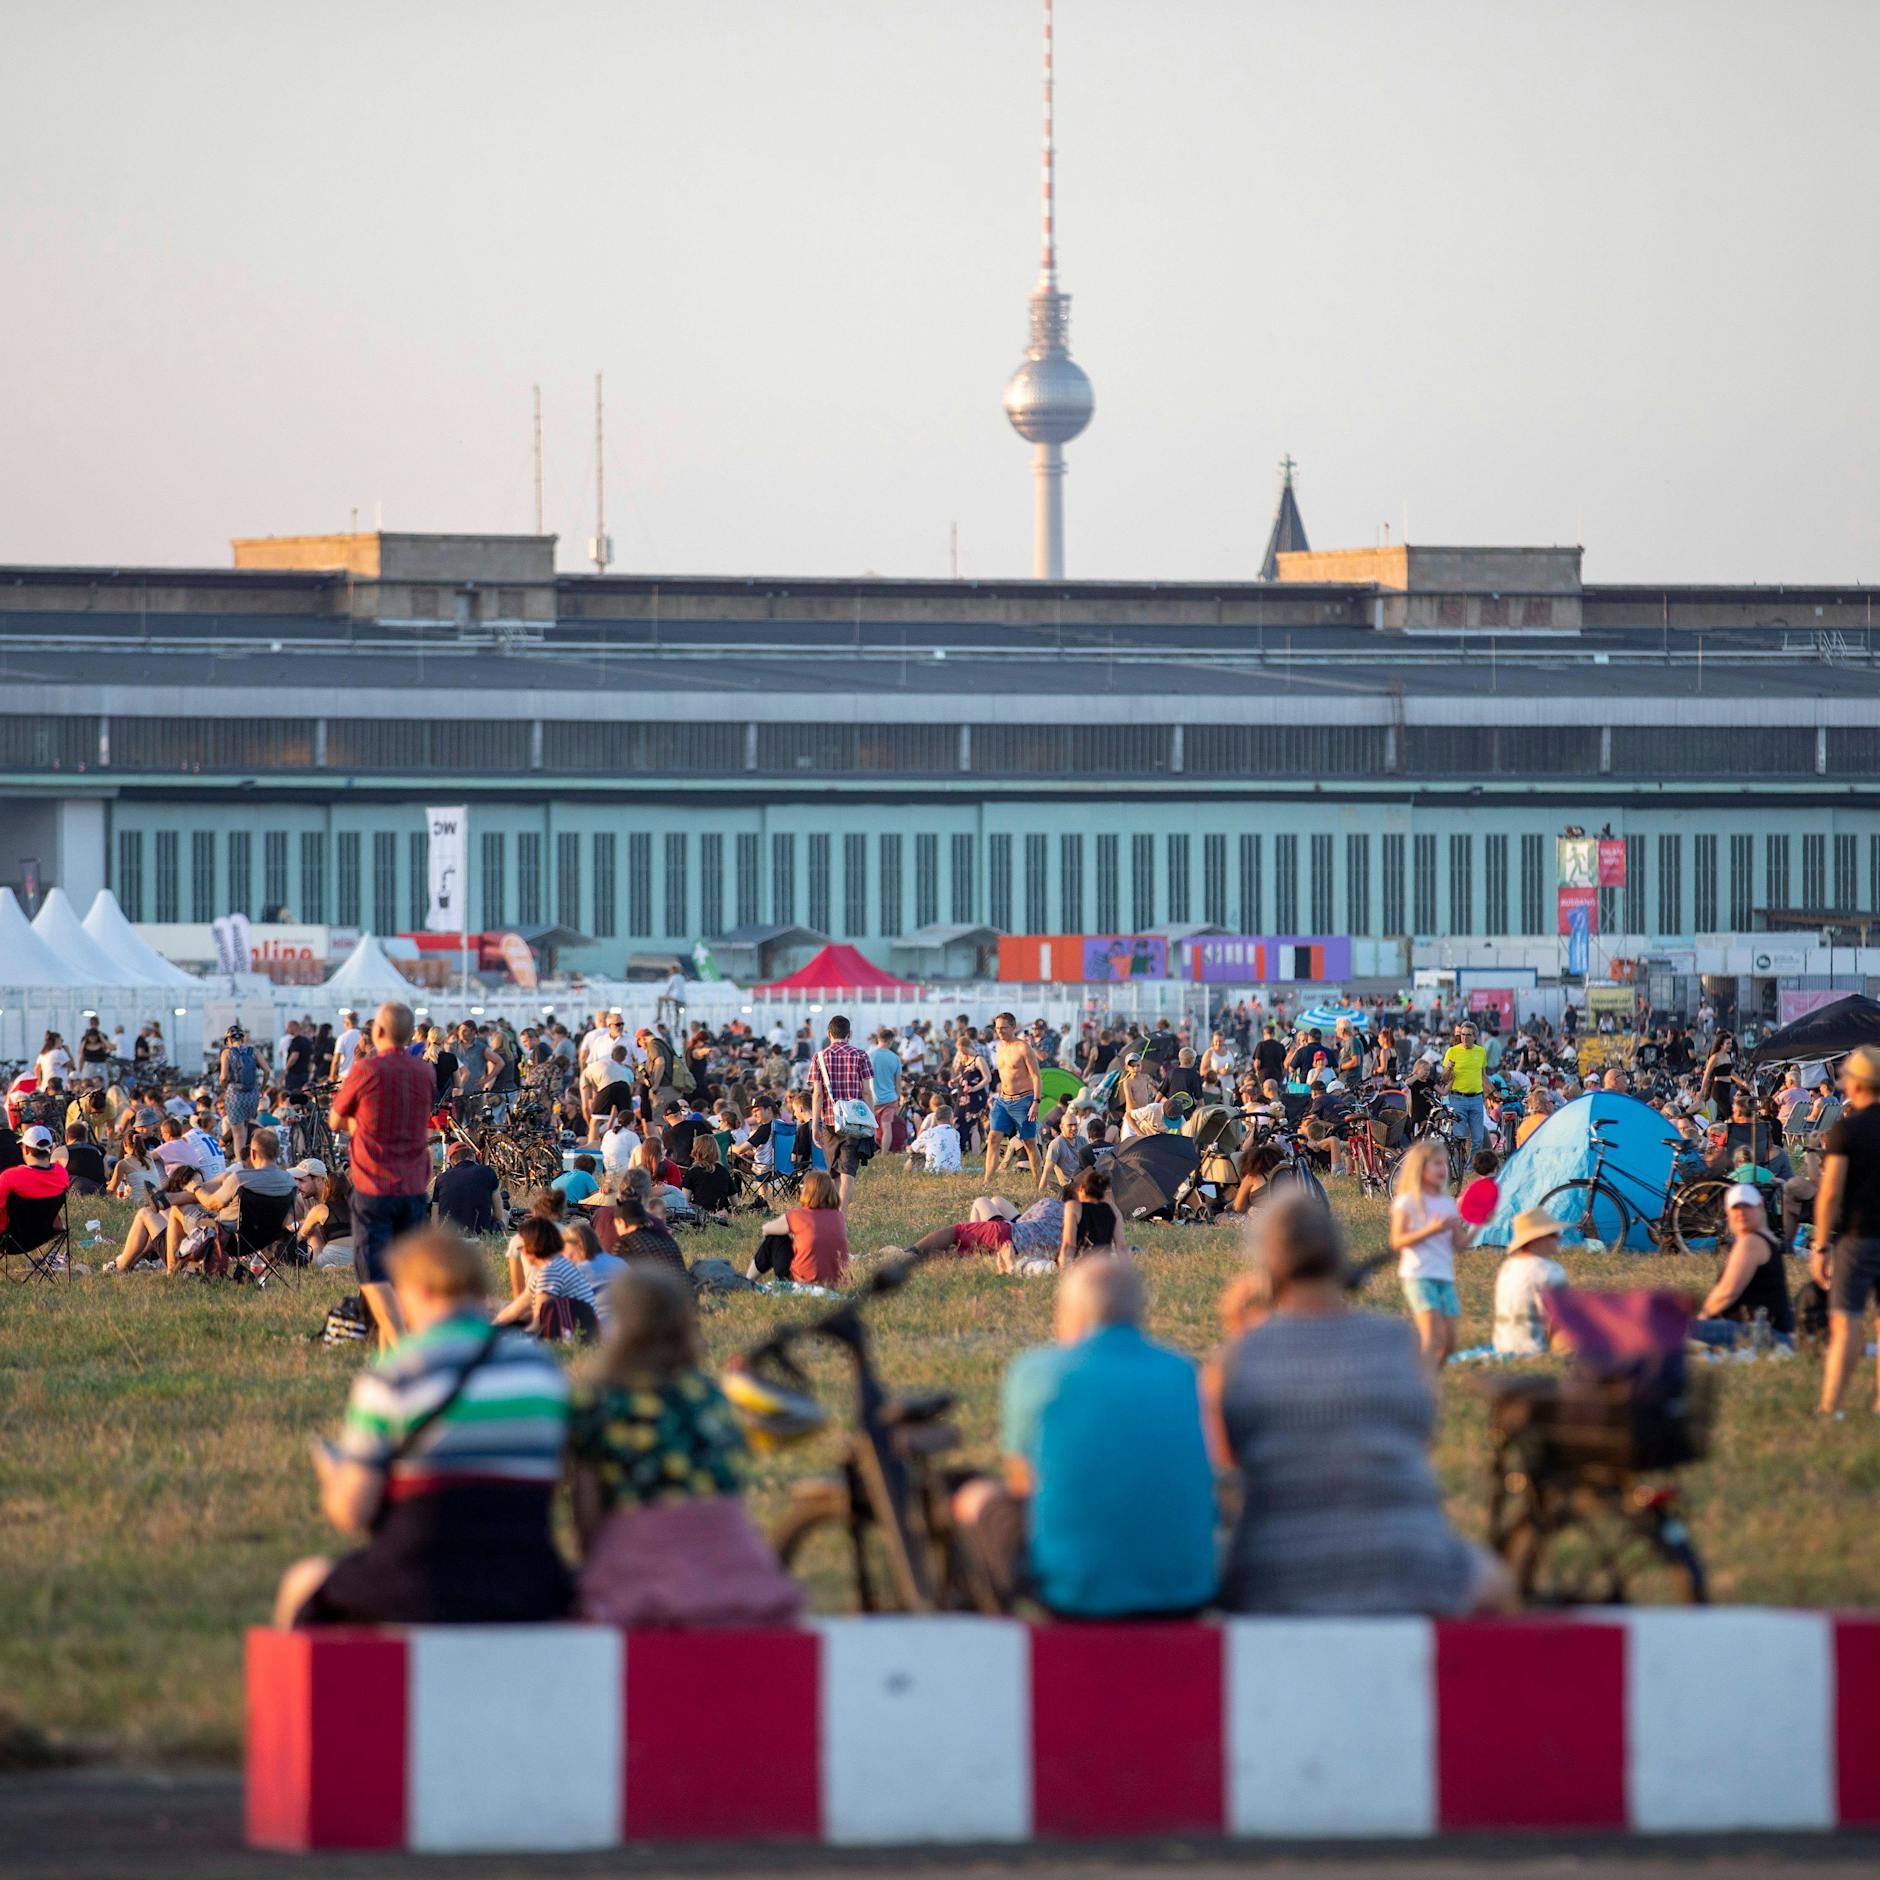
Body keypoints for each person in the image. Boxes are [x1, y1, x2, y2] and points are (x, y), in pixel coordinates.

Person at [1214, 1195, 1515, 1616]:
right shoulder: (1398, 1341)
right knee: (1494, 1578)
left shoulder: (1241, 1356)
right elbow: (1423, 1437)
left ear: (1268, 1265)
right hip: (1410, 1565)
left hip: (1276, 1571)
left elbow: (1226, 1461)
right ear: (1339, 1255)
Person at [273, 1226, 571, 1628]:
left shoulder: (396, 1375)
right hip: (532, 1586)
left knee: (303, 1582)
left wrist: (335, 1479)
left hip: (421, 1585)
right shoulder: (541, 1368)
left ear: (419, 1290)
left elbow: (351, 1513)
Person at [951, 1257, 1217, 1618]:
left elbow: (1023, 1486)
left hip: (1074, 1597)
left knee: (973, 1497)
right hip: (1185, 1593)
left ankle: (991, 1631)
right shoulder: (1182, 1372)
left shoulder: (1037, 1373)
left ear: (1072, 1314)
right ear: (1138, 1311)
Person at [568, 1264, 801, 1628]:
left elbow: (586, 1511)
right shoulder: (710, 1394)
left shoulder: (598, 1403)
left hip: (645, 1577)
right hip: (740, 1571)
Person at [330, 1002, 437, 1352]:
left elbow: (335, 1119)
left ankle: (400, 1344)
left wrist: (356, 1125)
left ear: (377, 1032)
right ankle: (392, 1341)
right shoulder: (425, 1072)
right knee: (407, 1270)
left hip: (374, 1182)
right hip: (413, 1183)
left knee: (372, 1269)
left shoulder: (366, 1069)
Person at [1811, 1046, 1880, 1415]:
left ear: (1856, 1084)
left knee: (1847, 1321)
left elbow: (1831, 1191)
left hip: (1857, 1236)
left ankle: (1830, 1406)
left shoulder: (1846, 1129)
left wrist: (1820, 1245)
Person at [164, 1126, 298, 1271]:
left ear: (252, 1153)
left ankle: (171, 1271)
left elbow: (210, 1203)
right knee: (223, 1181)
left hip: (229, 1239)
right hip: (266, 1240)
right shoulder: (290, 1181)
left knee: (177, 1210)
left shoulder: (240, 1179)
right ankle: (167, 1197)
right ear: (278, 1152)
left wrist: (196, 1187)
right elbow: (288, 1219)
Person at [1390, 1140, 1463, 1375]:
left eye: (1444, 1163)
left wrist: (1477, 1224)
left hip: (1444, 1274)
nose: (1443, 1169)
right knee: (1431, 1335)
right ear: (1420, 1169)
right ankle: (1423, 1384)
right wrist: (1430, 1230)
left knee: (1450, 1342)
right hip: (1419, 1274)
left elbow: (1458, 1245)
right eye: (1436, 1164)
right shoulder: (1408, 1202)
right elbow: (1397, 1241)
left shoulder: (1448, 1203)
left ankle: (1428, 1376)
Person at [1693, 1184, 1793, 1347]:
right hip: (1772, 1333)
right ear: (1728, 1212)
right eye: (1736, 1207)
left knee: (1674, 1330)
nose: (1741, 1212)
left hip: (1757, 1333)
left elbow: (1727, 1292)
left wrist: (1703, 1317)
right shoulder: (1764, 1239)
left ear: (1760, 1206)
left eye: (1747, 1206)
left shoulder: (1750, 1242)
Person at [495, 1215, 597, 1335]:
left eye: (521, 1247)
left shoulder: (551, 1273)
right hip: (581, 1330)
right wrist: (492, 1327)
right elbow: (515, 1309)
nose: (521, 1252)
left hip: (575, 1336)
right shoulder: (558, 1265)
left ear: (531, 1246)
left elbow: (539, 1322)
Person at [1492, 1209, 1569, 1357]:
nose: (1559, 1238)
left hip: (1502, 1347)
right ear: (1537, 1239)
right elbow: (1560, 1320)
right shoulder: (1551, 1271)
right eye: (1553, 1234)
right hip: (1534, 1350)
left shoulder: (1507, 1267)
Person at [752, 1168, 850, 1285]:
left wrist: (792, 1232)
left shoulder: (799, 1216)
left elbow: (766, 1229)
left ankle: (747, 1281)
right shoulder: (838, 1217)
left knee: (773, 1239)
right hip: (836, 1281)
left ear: (807, 1191)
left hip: (803, 1280)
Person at [0, 1124, 71, 1243]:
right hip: (45, 1235)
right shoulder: (62, 1174)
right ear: (51, 1149)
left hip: (10, 1240)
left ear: (26, 1149)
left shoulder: (9, 1177)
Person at [1439, 1021, 1489, 1158]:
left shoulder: (1481, 1051)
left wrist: (1493, 1093)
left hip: (1477, 1099)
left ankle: (1470, 1168)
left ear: (1475, 1037)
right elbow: (1443, 1078)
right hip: (1457, 1099)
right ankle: (1457, 1168)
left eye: (1468, 1035)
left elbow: (1483, 1075)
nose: (1465, 1038)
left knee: (1478, 1139)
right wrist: (1449, 1068)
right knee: (1458, 1138)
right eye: (1462, 1034)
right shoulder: (1452, 1051)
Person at [432, 1140, 501, 1235]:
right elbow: (498, 1215)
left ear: (451, 1162)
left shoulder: (440, 1178)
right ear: (473, 1157)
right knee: (505, 1214)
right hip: (480, 1236)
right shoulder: (488, 1172)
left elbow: (435, 1218)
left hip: (449, 1238)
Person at [218, 1023, 262, 1158]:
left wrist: (226, 1087)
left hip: (235, 1095)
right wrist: (263, 1087)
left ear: (229, 1040)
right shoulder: (253, 1051)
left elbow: (224, 1076)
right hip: (252, 1094)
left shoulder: (227, 1052)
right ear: (242, 1039)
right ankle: (252, 1158)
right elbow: (266, 1070)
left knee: (238, 1133)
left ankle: (241, 1163)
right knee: (246, 1126)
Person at [680, 1133, 735, 1219]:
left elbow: (684, 1201)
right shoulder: (723, 1171)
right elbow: (735, 1202)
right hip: (723, 1213)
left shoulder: (692, 1172)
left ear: (696, 1150)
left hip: (701, 1213)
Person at [909, 1102, 963, 1174]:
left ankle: (904, 1173)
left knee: (914, 1156)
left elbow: (912, 1149)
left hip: (932, 1171)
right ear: (950, 1118)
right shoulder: (956, 1133)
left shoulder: (929, 1133)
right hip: (954, 1171)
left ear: (935, 1118)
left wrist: (923, 1150)